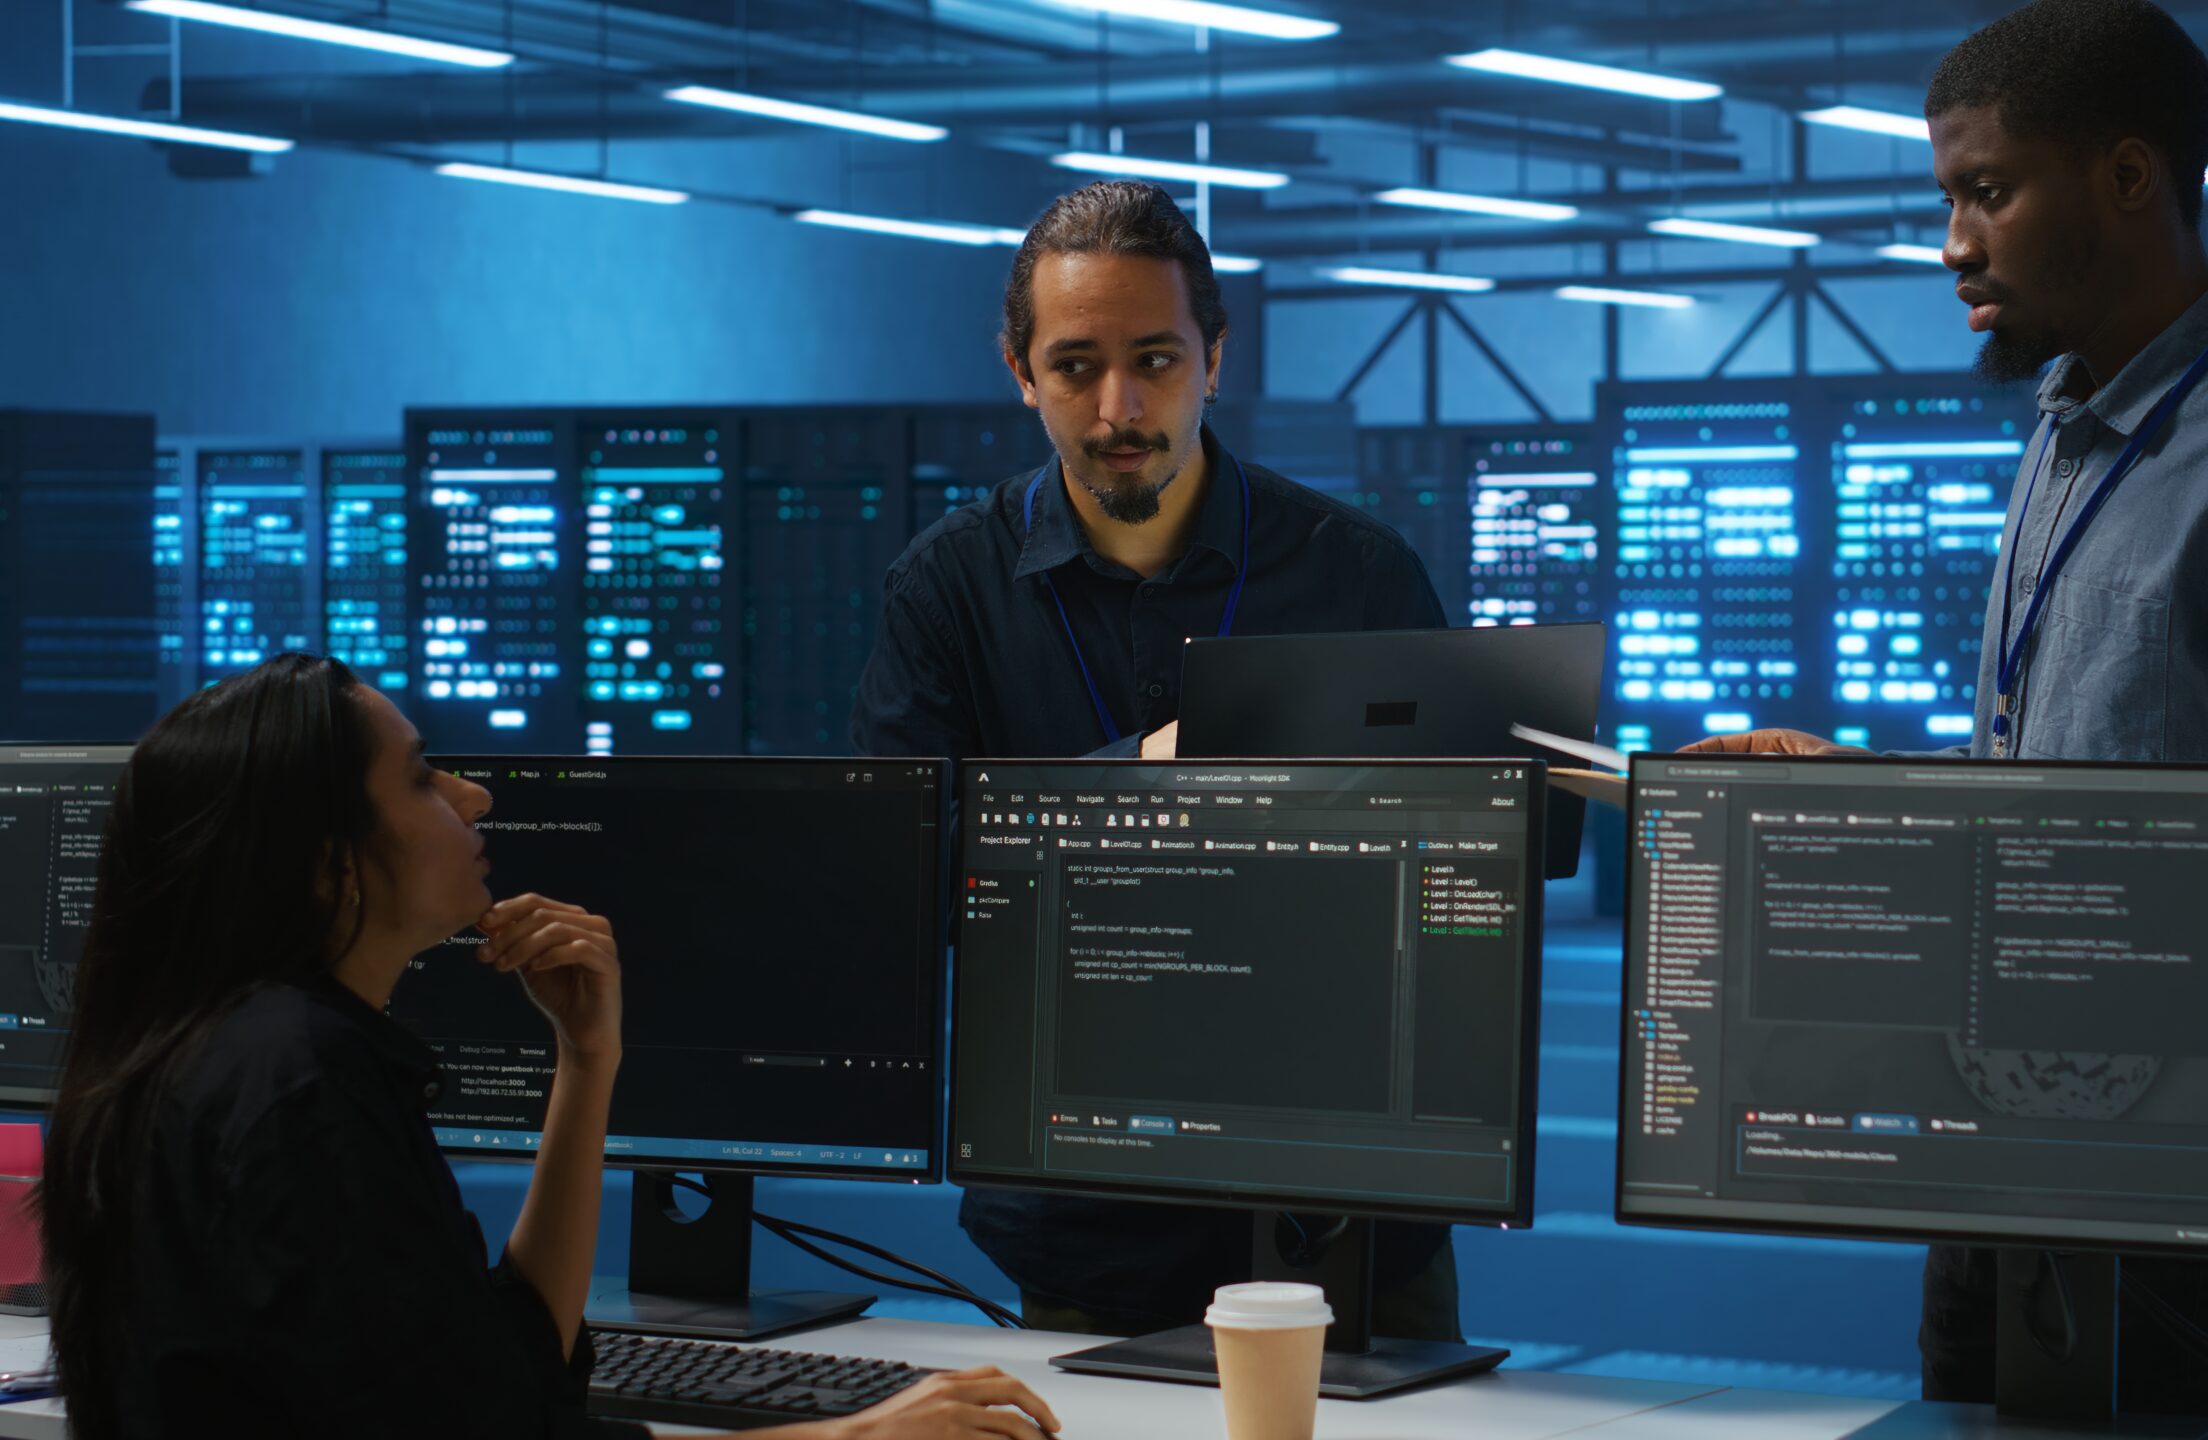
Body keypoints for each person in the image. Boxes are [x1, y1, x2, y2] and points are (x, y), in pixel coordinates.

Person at [1682, 0, 2208, 1425]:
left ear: (2129, 178)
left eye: (1987, 191)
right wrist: (1861, 800)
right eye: (1947, 198)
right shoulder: (2066, 432)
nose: (1955, 244)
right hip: (2003, 1143)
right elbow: (2069, 784)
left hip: (2173, 1193)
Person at [41, 654, 1062, 1440]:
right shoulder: (299, 1083)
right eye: (422, 780)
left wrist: (587, 1060)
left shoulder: (231, 1051)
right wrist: (854, 1432)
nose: (474, 797)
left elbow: (518, 1368)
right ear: (327, 868)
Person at [849, 180, 1460, 1340]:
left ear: (1214, 360)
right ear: (1019, 369)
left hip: (1346, 1195)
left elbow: (1478, 869)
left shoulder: (1357, 576)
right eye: (1075, 365)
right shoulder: (947, 590)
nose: (1118, 406)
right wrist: (1150, 772)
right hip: (1086, 1201)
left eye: (1157, 360)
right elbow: (898, 878)